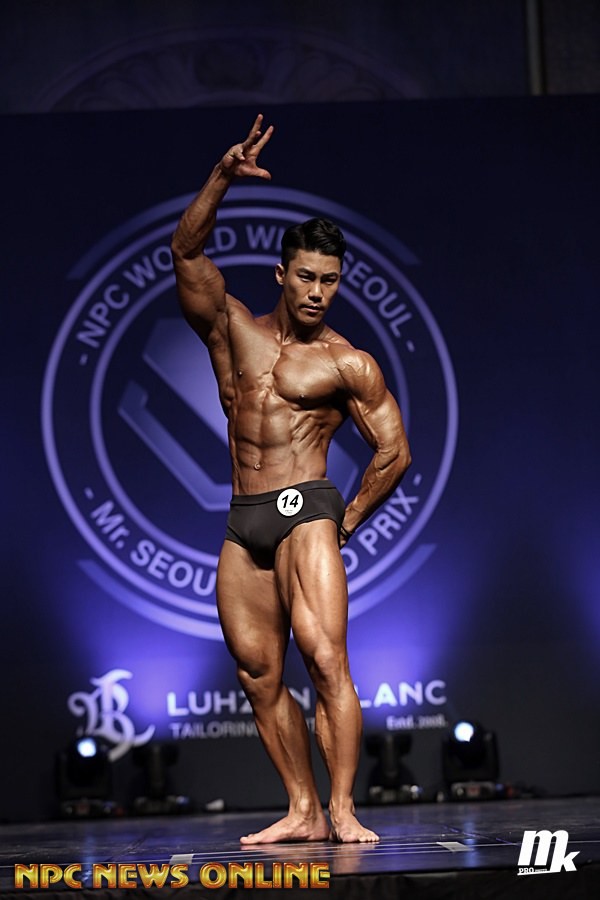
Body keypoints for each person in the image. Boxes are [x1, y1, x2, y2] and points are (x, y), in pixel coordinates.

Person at [171, 114, 411, 844]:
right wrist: (222, 176)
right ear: (282, 275)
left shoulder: (346, 362)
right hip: (243, 514)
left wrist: (347, 518)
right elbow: (185, 251)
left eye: (329, 281)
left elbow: (393, 451)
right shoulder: (232, 329)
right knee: (256, 671)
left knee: (326, 657)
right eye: (306, 277)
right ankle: (302, 808)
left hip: (307, 507)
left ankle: (342, 808)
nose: (316, 292)